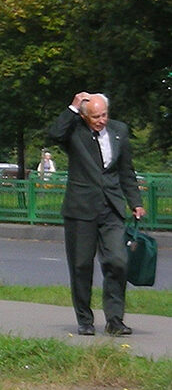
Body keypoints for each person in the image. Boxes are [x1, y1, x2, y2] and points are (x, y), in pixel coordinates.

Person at [47, 91, 144, 336]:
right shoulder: (74, 131)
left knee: (118, 262)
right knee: (81, 266)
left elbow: (126, 171)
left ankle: (115, 320)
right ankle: (85, 320)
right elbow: (54, 134)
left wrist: (135, 202)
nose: (101, 120)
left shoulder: (119, 131)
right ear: (84, 116)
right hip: (81, 209)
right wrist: (72, 107)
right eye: (95, 117)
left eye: (104, 115)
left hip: (111, 208)